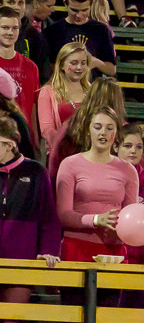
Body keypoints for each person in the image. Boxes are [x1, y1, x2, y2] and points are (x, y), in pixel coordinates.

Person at [0, 118, 61, 312]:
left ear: (10, 145)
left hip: (21, 262)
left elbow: (48, 217)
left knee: (11, 318)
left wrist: (48, 250)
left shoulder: (36, 172)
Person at [56, 106, 138, 304]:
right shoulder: (70, 164)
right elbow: (63, 214)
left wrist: (124, 231)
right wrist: (95, 220)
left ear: (116, 133)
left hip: (113, 253)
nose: (103, 133)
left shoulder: (128, 171)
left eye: (109, 128)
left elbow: (131, 216)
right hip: (76, 249)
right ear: (88, 130)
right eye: (98, 127)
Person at [0, 7, 40, 125]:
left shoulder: (31, 67)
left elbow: (33, 105)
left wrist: (35, 138)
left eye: (15, 28)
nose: (10, 33)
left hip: (23, 134)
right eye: (5, 28)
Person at [43, 0, 116, 76]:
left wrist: (95, 62)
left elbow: (111, 70)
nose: (79, 15)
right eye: (74, 10)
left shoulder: (101, 30)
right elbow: (47, 68)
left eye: (84, 10)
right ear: (65, 3)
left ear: (91, 5)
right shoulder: (52, 31)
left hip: (91, 89)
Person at [38, 42, 91, 152]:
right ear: (62, 65)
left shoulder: (93, 92)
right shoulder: (47, 92)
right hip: (60, 153)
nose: (79, 67)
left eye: (83, 63)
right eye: (74, 63)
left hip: (89, 154)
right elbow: (47, 130)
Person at [114, 124, 144, 268]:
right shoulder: (107, 176)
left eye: (139, 147)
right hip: (114, 249)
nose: (134, 151)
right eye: (127, 145)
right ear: (116, 147)